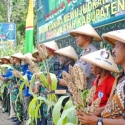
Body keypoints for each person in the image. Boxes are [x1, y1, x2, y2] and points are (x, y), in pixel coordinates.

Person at [76, 29, 125, 125]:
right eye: (113, 47)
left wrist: (98, 121)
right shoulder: (119, 78)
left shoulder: (112, 81)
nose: (113, 50)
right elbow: (111, 107)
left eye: (117, 46)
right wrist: (91, 112)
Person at [81, 48, 119, 116]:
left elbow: (113, 104)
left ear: (101, 65)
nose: (90, 67)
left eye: (93, 64)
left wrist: (97, 111)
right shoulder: (96, 80)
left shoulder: (112, 82)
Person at [70, 24, 102, 88]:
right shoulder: (84, 52)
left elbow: (82, 80)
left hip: (88, 94)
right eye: (76, 35)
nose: (76, 37)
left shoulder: (91, 53)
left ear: (87, 37)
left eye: (78, 35)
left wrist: (59, 81)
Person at [21, 52, 36, 120]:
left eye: (25, 59)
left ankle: (30, 120)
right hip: (27, 90)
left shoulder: (32, 68)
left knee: (30, 106)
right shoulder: (25, 67)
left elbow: (32, 79)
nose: (23, 61)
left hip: (30, 90)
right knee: (27, 106)